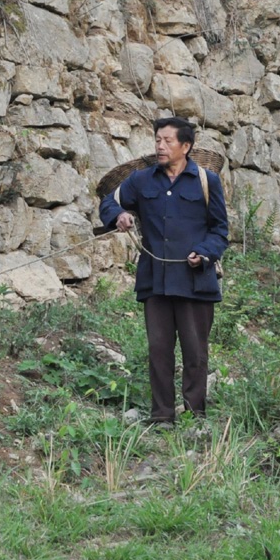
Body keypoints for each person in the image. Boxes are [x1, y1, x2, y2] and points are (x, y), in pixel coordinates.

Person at [99, 117, 228, 425]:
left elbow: (220, 230)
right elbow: (108, 203)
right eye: (157, 139)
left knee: (195, 352)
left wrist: (205, 253)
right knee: (159, 351)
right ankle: (162, 417)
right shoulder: (141, 180)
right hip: (155, 280)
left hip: (195, 280)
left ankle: (196, 415)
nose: (160, 146)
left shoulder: (206, 181)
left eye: (168, 141)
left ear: (186, 146)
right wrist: (119, 216)